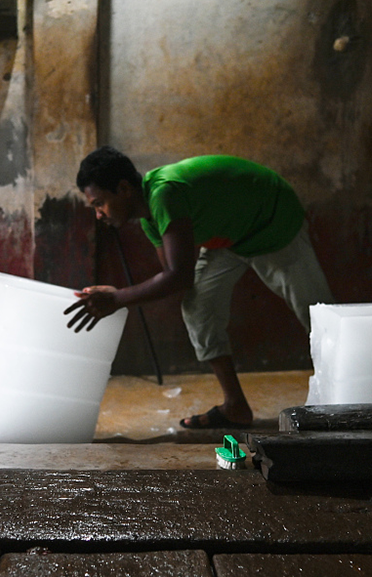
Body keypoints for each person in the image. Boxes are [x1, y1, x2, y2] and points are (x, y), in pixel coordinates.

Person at [65, 146, 333, 429]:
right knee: (198, 307)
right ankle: (235, 407)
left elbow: (178, 276)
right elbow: (174, 278)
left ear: (123, 188)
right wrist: (118, 297)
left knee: (319, 315)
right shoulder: (150, 221)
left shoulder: (164, 193)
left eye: (99, 204)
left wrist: (117, 298)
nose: (99, 215)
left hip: (271, 221)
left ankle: (345, 401)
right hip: (229, 238)